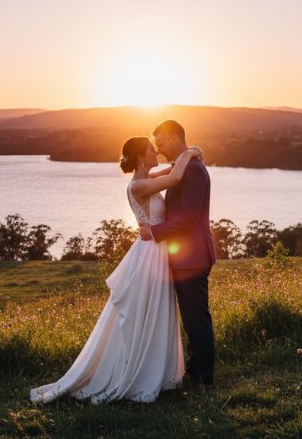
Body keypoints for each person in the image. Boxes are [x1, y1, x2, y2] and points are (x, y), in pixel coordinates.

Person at [30, 136, 202, 403]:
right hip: (149, 255)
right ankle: (138, 372)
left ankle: (155, 368)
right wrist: (190, 151)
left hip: (156, 251)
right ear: (142, 157)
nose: (156, 151)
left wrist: (184, 156)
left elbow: (170, 170)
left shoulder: (147, 177)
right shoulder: (139, 185)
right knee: (146, 310)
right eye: (151, 149)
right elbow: (176, 177)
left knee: (156, 310)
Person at [139, 119, 216, 392]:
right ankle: (196, 369)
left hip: (193, 256)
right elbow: (154, 175)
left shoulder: (193, 170)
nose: (159, 150)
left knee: (196, 317)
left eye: (160, 143)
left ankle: (204, 377)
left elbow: (190, 215)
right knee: (190, 316)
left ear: (174, 138)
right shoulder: (184, 166)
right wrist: (188, 152)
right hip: (185, 256)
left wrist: (155, 231)